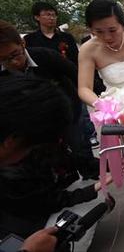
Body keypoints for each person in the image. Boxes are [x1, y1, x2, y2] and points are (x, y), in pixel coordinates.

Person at [0, 75, 110, 241]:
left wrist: (110, 166)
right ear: (10, 141)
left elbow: (73, 160)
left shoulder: (38, 147)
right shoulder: (15, 173)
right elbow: (45, 203)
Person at [0, 20, 99, 180]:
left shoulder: (45, 56)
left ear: (22, 43)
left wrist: (93, 96)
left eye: (14, 55)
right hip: (35, 124)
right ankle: (67, 178)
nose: (12, 63)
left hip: (68, 112)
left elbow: (78, 76)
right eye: (4, 60)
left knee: (79, 144)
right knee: (51, 154)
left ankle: (91, 172)